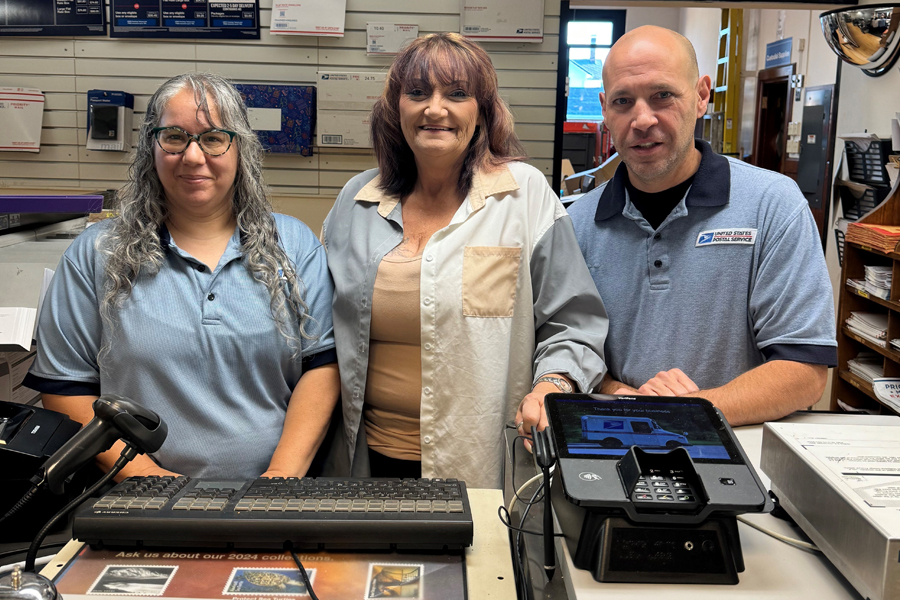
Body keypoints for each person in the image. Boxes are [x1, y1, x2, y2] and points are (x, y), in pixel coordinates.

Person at [323, 33, 608, 488]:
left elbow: (574, 323)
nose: (435, 108)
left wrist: (553, 385)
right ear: (396, 108)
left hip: (480, 462)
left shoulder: (525, 196)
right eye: (417, 93)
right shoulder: (354, 203)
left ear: (483, 110)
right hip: (365, 458)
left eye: (457, 93)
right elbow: (320, 331)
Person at [24, 73, 339, 479]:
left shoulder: (293, 244)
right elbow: (66, 388)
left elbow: (322, 367)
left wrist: (279, 478)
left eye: (212, 138)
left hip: (273, 498)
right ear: (150, 148)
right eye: (174, 137)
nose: (193, 157)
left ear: (240, 147)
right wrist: (151, 484)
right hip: (137, 501)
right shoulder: (97, 253)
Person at [568, 26, 837, 426]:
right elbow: (569, 347)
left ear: (700, 96)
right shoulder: (577, 224)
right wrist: (616, 392)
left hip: (739, 452)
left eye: (663, 95)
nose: (642, 120)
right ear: (605, 110)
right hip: (615, 436)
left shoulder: (773, 206)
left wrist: (690, 412)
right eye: (624, 101)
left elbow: (804, 370)